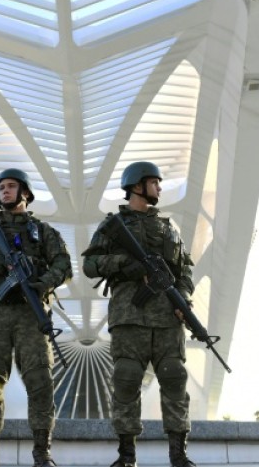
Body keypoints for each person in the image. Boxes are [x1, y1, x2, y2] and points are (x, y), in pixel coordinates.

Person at [0, 169, 73, 467]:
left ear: (25, 193)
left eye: (11, 186)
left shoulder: (43, 232)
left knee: (40, 379)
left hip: (30, 312)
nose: (5, 191)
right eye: (1, 187)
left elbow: (64, 265)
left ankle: (42, 453)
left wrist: (43, 283)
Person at [81, 161, 197, 467]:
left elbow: (185, 270)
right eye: (154, 182)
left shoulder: (169, 228)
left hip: (168, 319)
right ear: (136, 186)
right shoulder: (113, 226)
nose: (159, 188)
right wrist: (123, 264)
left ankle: (179, 454)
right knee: (127, 379)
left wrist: (183, 298)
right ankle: (127, 455)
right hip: (129, 316)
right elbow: (90, 264)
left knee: (175, 377)